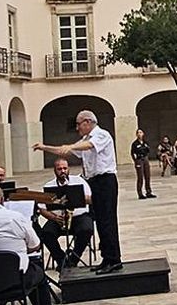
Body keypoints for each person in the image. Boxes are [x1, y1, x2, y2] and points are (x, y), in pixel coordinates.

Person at [34, 109, 122, 273]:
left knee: (108, 220)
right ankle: (107, 258)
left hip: (105, 181)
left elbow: (88, 146)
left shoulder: (101, 135)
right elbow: (64, 151)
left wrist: (71, 146)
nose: (77, 128)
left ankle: (114, 259)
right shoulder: (84, 140)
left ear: (88, 122)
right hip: (94, 181)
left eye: (78, 124)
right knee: (101, 222)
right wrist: (44, 147)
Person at [130, 129, 154, 200]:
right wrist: (136, 161)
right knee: (140, 177)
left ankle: (148, 192)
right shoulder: (135, 144)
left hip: (145, 159)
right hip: (139, 159)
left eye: (141, 132)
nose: (139, 134)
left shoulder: (145, 143)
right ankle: (140, 193)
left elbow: (148, 150)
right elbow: (132, 153)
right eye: (138, 133)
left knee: (147, 176)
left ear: (143, 134)